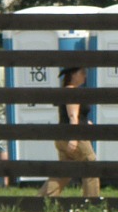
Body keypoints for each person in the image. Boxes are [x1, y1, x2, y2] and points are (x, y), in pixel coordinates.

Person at [38, 66, 100, 199]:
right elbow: (73, 116)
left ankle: (42, 199)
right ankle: (92, 202)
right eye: (82, 73)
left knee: (63, 173)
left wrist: (86, 123)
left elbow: (71, 116)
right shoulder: (72, 92)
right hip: (75, 136)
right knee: (91, 166)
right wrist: (74, 138)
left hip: (62, 136)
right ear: (73, 75)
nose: (85, 75)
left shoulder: (66, 91)